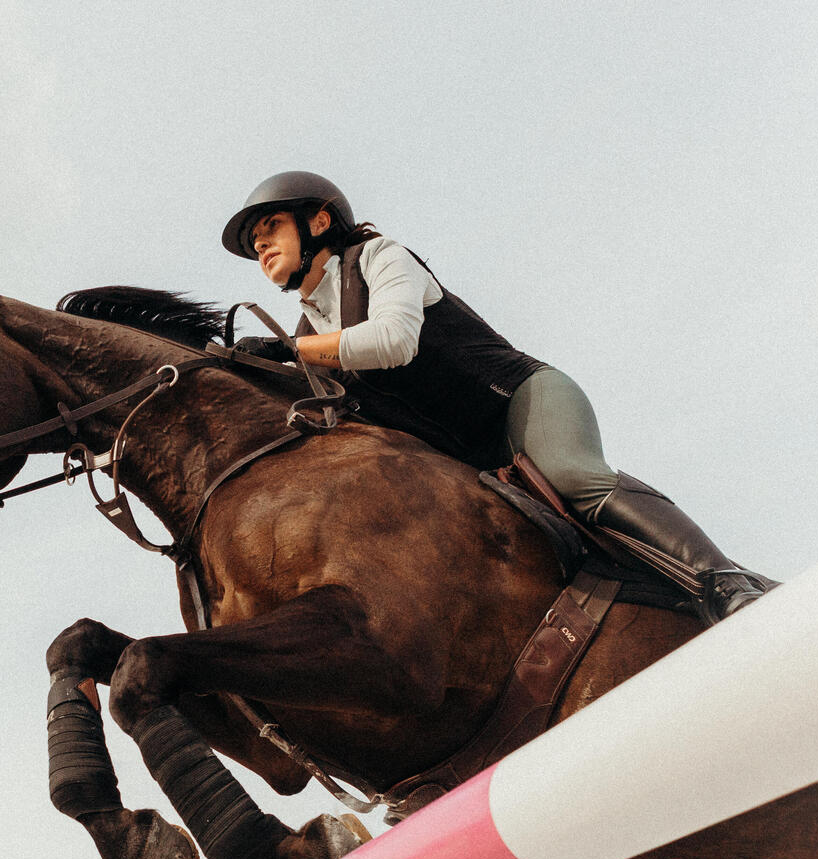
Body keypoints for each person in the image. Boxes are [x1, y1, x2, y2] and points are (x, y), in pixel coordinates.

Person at [222, 171, 767, 620]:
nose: (261, 244)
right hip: (472, 459)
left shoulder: (379, 258)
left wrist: (294, 350)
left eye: (271, 226)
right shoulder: (307, 328)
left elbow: (394, 341)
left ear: (318, 221)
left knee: (575, 477)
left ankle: (724, 581)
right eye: (254, 243)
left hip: (519, 401)